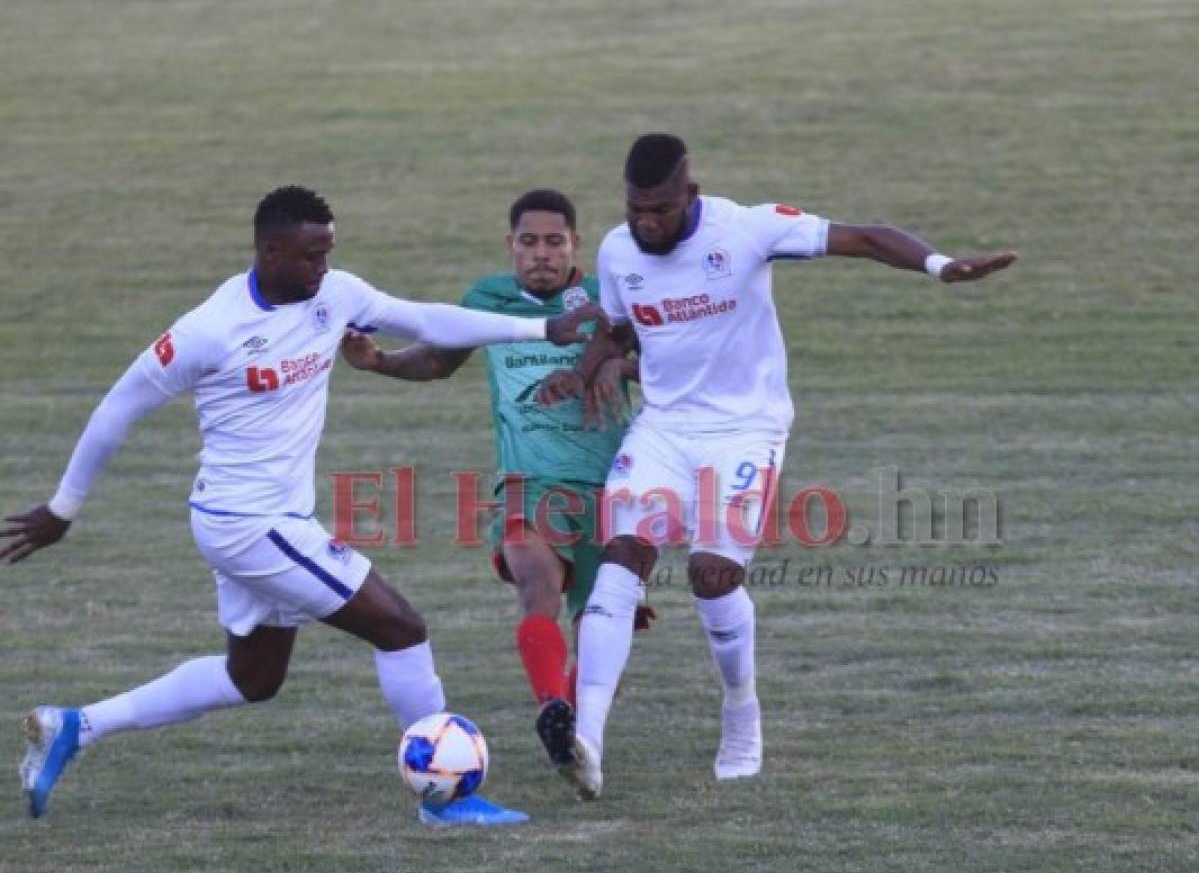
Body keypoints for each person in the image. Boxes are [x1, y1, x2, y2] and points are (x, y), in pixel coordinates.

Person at [1, 185, 603, 825]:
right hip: (247, 525)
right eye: (309, 257)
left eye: (329, 253)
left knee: (252, 679)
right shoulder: (210, 330)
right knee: (401, 628)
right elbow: (116, 408)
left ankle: (74, 726)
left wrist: (544, 326)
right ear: (268, 251)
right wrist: (63, 508)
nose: (322, 269)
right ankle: (446, 799)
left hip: (268, 523)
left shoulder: (334, 294)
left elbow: (425, 320)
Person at [538, 133, 1018, 798]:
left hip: (744, 431)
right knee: (621, 558)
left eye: (658, 209)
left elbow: (865, 237)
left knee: (711, 577)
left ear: (690, 196)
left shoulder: (747, 230)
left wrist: (939, 266)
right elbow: (618, 329)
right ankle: (586, 741)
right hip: (664, 428)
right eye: (633, 208)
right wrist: (583, 368)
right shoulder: (620, 250)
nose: (644, 221)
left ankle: (741, 712)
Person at [340, 188, 648, 780]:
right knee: (537, 588)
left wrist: (618, 364)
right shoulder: (489, 300)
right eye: (528, 242)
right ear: (510, 245)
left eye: (554, 242)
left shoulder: (607, 300)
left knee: (596, 630)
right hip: (528, 484)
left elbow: (674, 359)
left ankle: (579, 741)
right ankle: (553, 709)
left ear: (574, 245)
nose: (540, 254)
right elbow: (437, 360)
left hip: (615, 487)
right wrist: (379, 361)